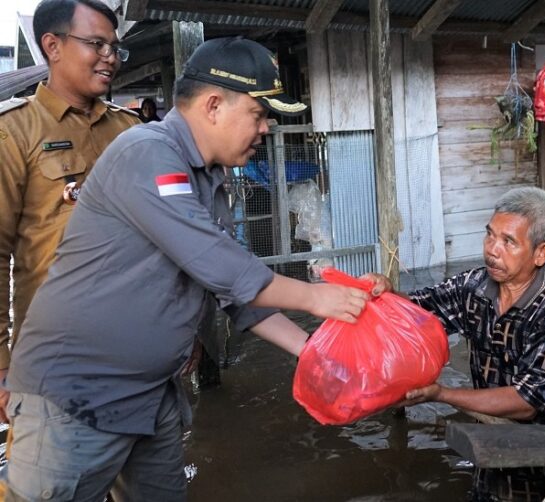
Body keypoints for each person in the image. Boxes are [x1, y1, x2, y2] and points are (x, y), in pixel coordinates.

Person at [2, 36, 367, 501]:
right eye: (258, 115)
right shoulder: (149, 153)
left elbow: (236, 295)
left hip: (152, 393)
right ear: (214, 105)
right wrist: (320, 298)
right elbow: (222, 268)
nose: (266, 130)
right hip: (78, 399)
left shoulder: (208, 178)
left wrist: (316, 352)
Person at [367, 187, 545, 501]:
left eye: (508, 242)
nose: (492, 250)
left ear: (541, 253)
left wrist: (441, 394)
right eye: (490, 235)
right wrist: (388, 292)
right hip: (493, 434)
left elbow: (528, 402)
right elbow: (418, 313)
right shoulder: (474, 286)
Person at [0, 0, 141, 422]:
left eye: (115, 47)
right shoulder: (13, 132)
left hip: (137, 346)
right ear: (52, 46)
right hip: (54, 357)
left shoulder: (130, 132)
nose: (110, 57)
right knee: (49, 486)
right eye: (96, 43)